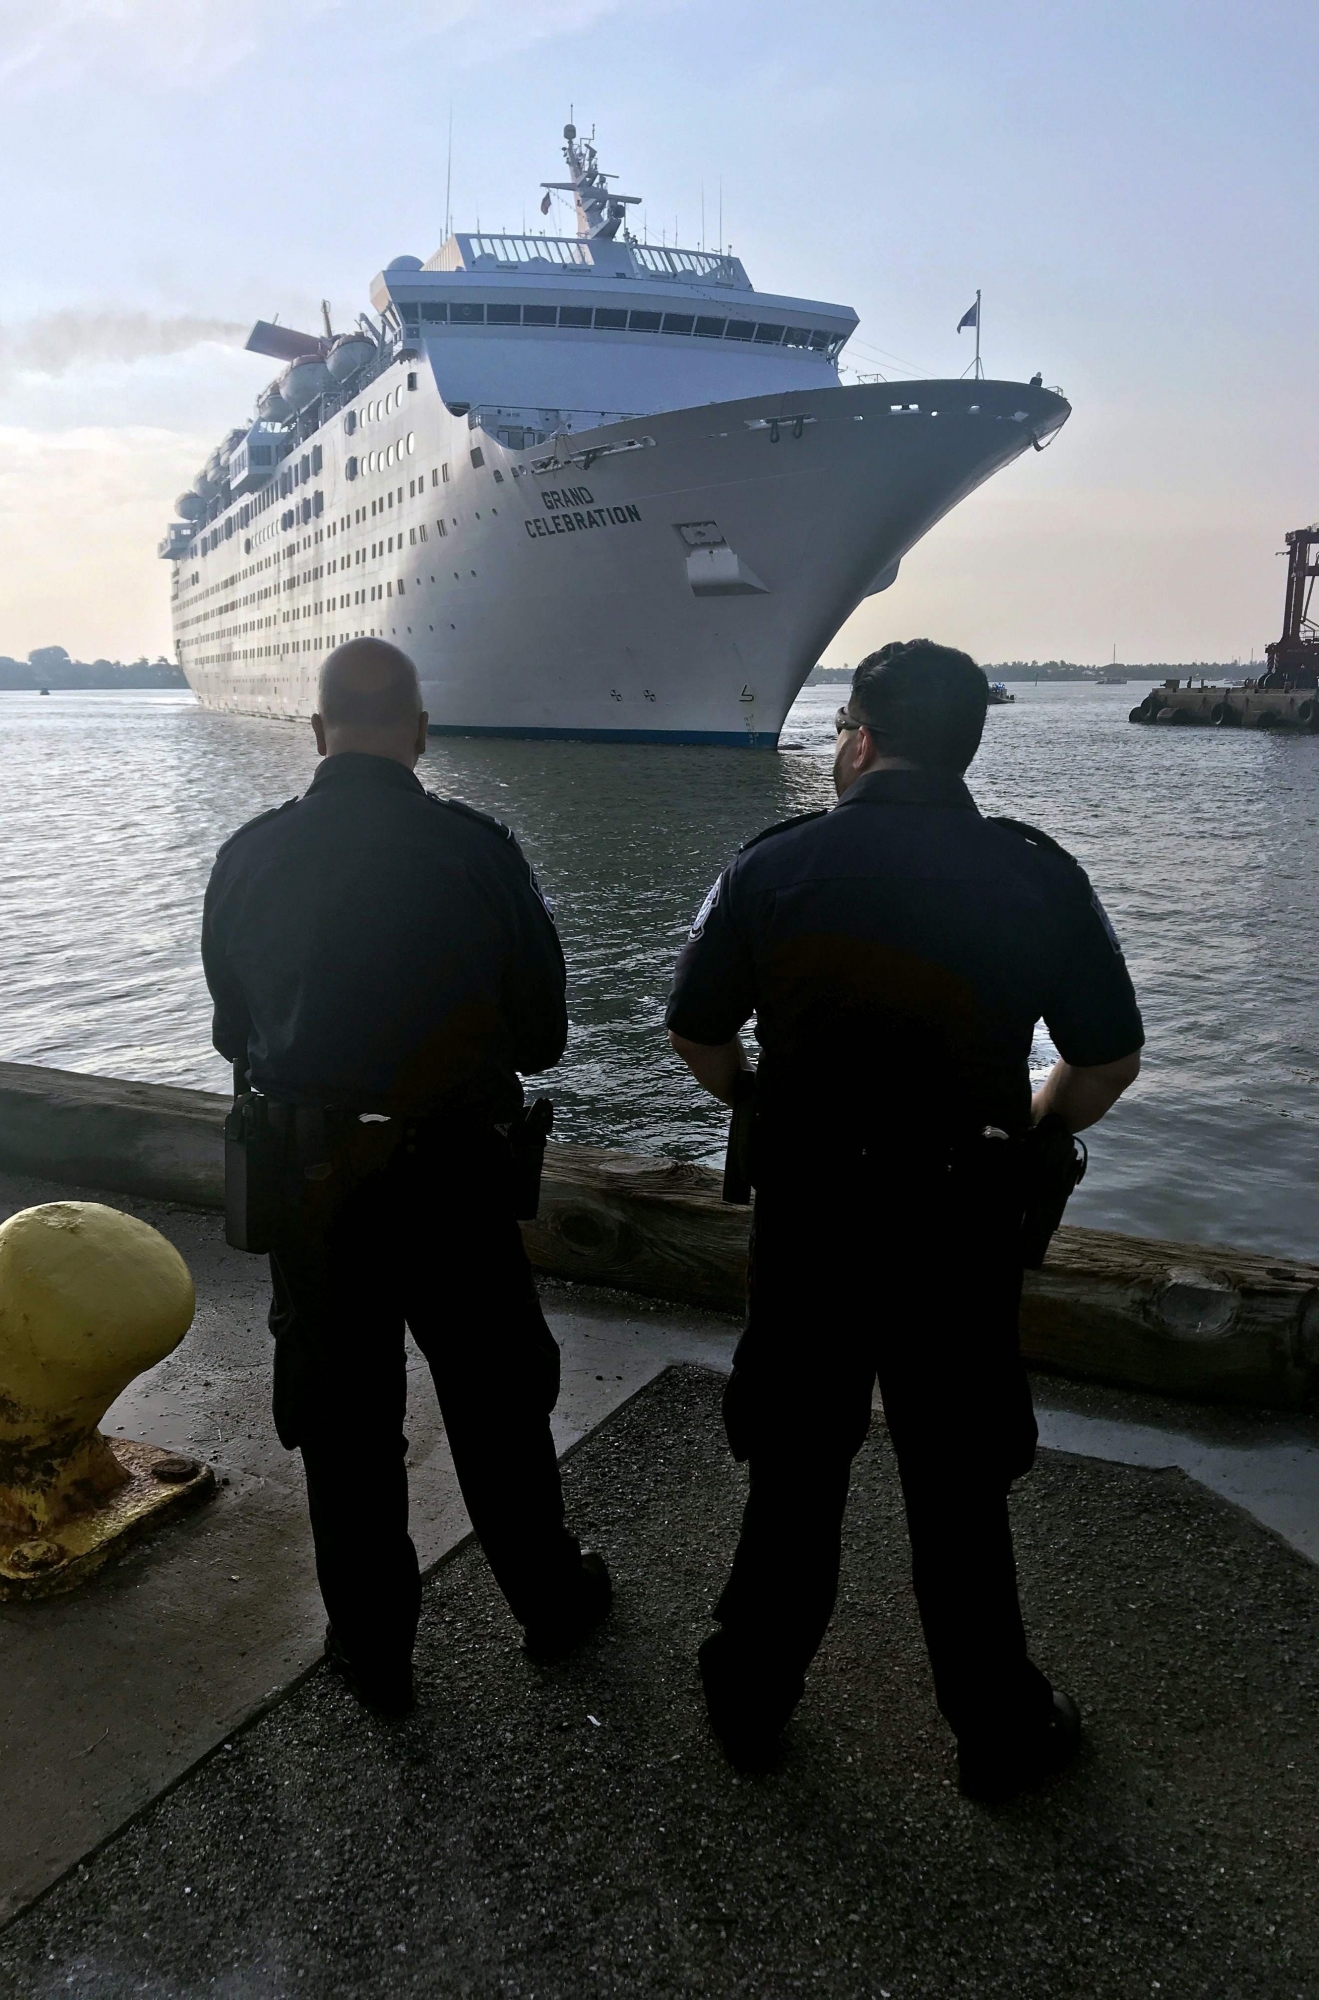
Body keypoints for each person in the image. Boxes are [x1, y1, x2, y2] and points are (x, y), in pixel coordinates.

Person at [665, 637, 1143, 1799]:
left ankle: (750, 1698)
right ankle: (998, 1732)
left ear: (864, 739)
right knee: (957, 1482)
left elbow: (695, 1029)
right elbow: (1107, 1057)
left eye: (838, 730)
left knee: (795, 1464)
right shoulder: (1037, 873)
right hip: (958, 1224)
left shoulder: (771, 867)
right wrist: (1032, 1125)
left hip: (815, 1220)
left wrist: (765, 1101)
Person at [202, 638, 609, 1716]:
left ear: (317, 731)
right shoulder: (480, 852)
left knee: (342, 1420)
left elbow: (231, 1029)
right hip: (454, 1178)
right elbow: (544, 1033)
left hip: (311, 1182)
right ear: (421, 730)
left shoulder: (248, 855)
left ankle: (375, 1652)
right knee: (495, 1399)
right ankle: (552, 1605)